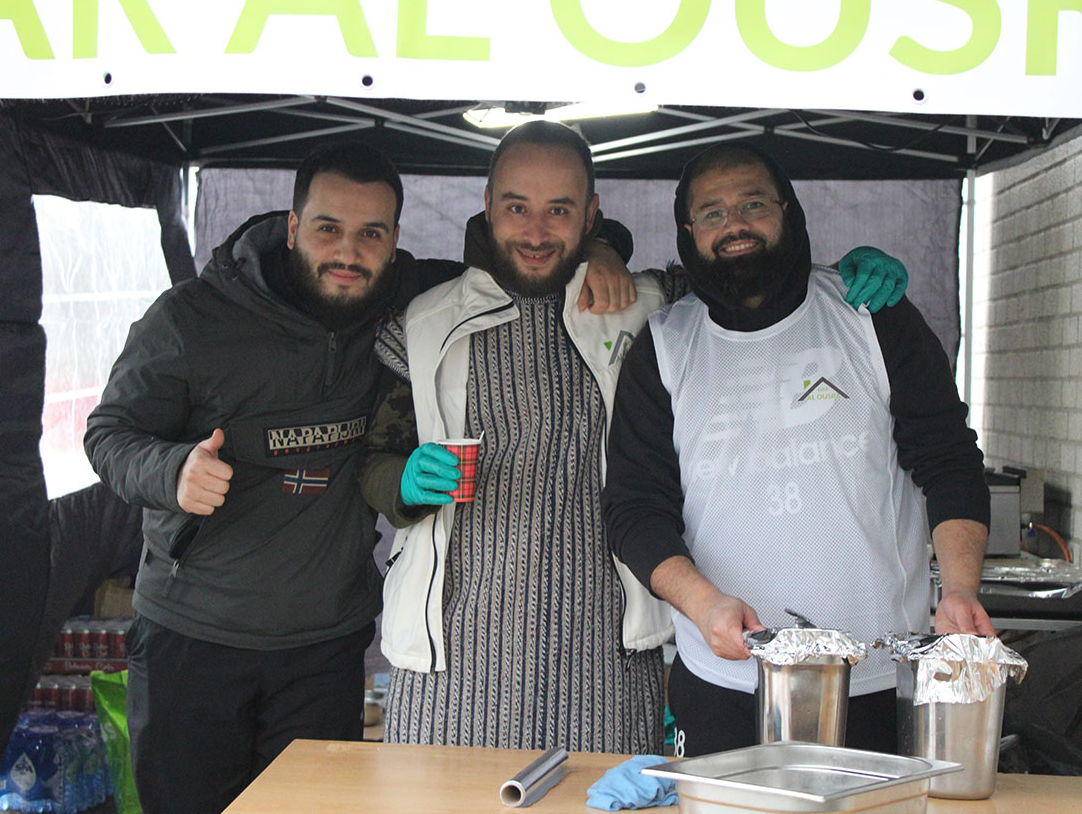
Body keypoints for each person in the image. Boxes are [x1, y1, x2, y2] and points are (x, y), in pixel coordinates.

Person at [81, 139, 648, 814]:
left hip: (323, 641)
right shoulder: (192, 318)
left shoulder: (410, 296)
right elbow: (108, 434)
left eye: (371, 234)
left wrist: (606, 247)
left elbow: (526, 247)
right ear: (292, 227)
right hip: (196, 634)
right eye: (328, 229)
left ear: (395, 240)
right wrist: (172, 469)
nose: (349, 253)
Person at [358, 121, 911, 754]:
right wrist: (399, 483)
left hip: (610, 656)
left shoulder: (651, 305)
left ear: (592, 214)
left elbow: (750, 272)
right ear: (487, 206)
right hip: (450, 661)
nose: (536, 232)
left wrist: (841, 272)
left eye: (559, 210)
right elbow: (374, 457)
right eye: (517, 208)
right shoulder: (423, 321)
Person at [602, 142, 994, 758]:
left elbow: (947, 457)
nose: (734, 223)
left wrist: (962, 589)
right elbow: (634, 510)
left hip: (877, 679)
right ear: (687, 232)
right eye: (712, 212)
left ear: (788, 212)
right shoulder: (663, 347)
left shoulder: (872, 315)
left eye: (753, 203)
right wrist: (704, 607)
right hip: (724, 681)